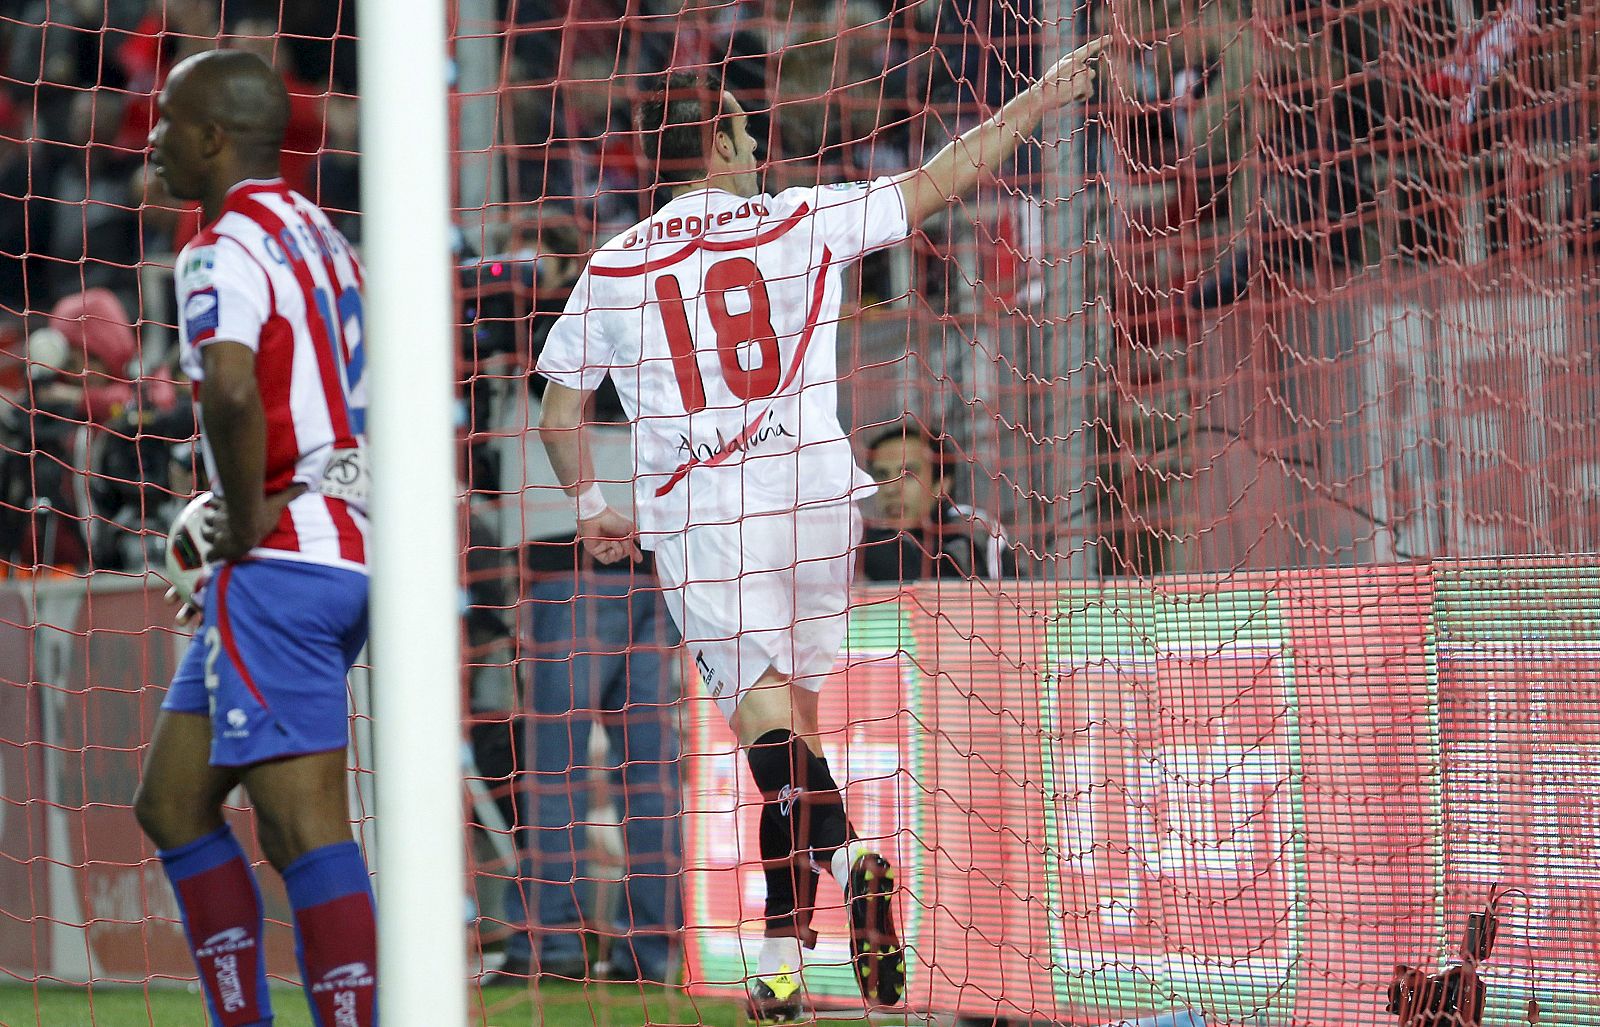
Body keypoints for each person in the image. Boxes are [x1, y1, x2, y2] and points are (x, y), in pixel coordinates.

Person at [534, 41, 1104, 1023]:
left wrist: (590, 507)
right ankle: (779, 966)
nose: (757, 140)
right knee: (794, 744)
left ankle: (852, 859)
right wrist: (1039, 100)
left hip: (706, 512)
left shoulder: (617, 260)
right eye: (746, 127)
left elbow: (555, 412)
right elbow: (937, 180)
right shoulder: (802, 215)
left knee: (772, 748)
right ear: (717, 137)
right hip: (816, 498)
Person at [131, 49, 376, 1027]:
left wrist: (244, 512)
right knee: (173, 802)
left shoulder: (219, 247)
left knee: (303, 824)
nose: (149, 139)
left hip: (280, 559)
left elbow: (231, 387)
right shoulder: (320, 232)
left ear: (211, 136)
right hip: (339, 542)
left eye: (164, 120)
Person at [490, 533, 683, 985]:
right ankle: (652, 953)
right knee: (652, 780)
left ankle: (550, 944)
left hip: (570, 569)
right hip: (661, 573)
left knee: (555, 774)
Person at [859, 422, 1018, 583]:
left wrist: (855, 536)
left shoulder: (973, 525)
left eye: (908, 474)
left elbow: (943, 580)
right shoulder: (876, 538)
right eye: (881, 474)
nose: (890, 489)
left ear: (941, 484)